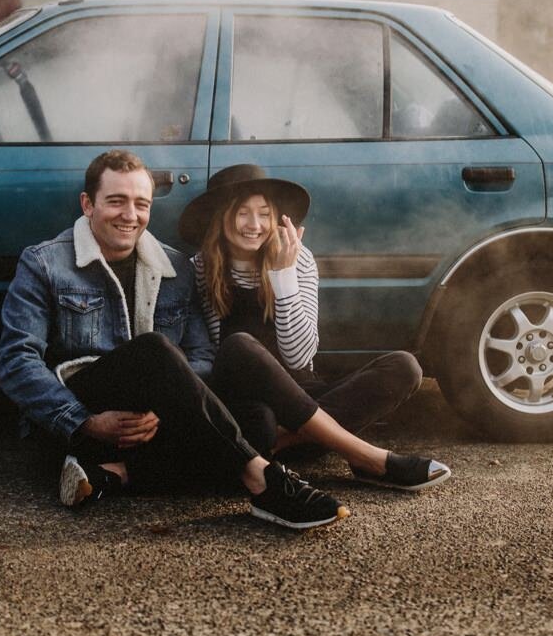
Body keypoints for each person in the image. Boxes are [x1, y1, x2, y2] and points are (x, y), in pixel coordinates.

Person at [0, 149, 350, 530]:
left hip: (150, 422)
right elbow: (17, 361)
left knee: (260, 424)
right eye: (116, 202)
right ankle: (261, 479)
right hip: (81, 411)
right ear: (88, 204)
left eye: (140, 204)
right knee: (155, 349)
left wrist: (165, 406)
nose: (130, 215)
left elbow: (201, 355)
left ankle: (108, 474)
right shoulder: (44, 263)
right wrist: (85, 422)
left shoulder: (175, 268)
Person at [180, 164, 449, 492]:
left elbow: (298, 357)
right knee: (242, 349)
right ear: (222, 218)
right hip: (244, 400)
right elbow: (208, 357)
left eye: (264, 214)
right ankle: (362, 455)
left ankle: (283, 443)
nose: (254, 225)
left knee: (404, 367)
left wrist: (283, 274)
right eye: (242, 213)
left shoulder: (300, 259)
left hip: (301, 392)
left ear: (277, 218)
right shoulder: (200, 268)